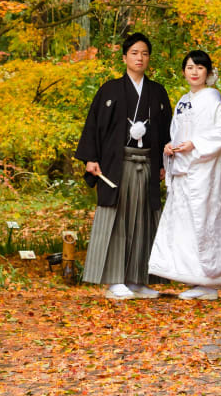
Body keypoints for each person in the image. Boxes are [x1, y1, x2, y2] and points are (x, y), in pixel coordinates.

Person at [75, 31, 171, 299]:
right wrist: (91, 159)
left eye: (145, 53)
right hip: (116, 165)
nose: (140, 58)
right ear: (124, 57)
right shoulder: (110, 90)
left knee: (144, 221)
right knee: (117, 219)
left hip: (148, 164)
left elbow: (166, 132)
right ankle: (115, 280)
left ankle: (139, 279)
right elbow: (94, 125)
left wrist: (164, 163)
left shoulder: (157, 92)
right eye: (134, 53)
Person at [148, 50, 221, 299]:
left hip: (204, 170)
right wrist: (170, 147)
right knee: (185, 224)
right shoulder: (182, 101)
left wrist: (196, 144)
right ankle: (196, 279)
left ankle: (210, 282)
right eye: (190, 67)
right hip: (183, 169)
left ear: (208, 73)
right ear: (183, 71)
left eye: (200, 68)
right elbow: (177, 132)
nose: (194, 72)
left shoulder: (212, 99)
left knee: (204, 220)